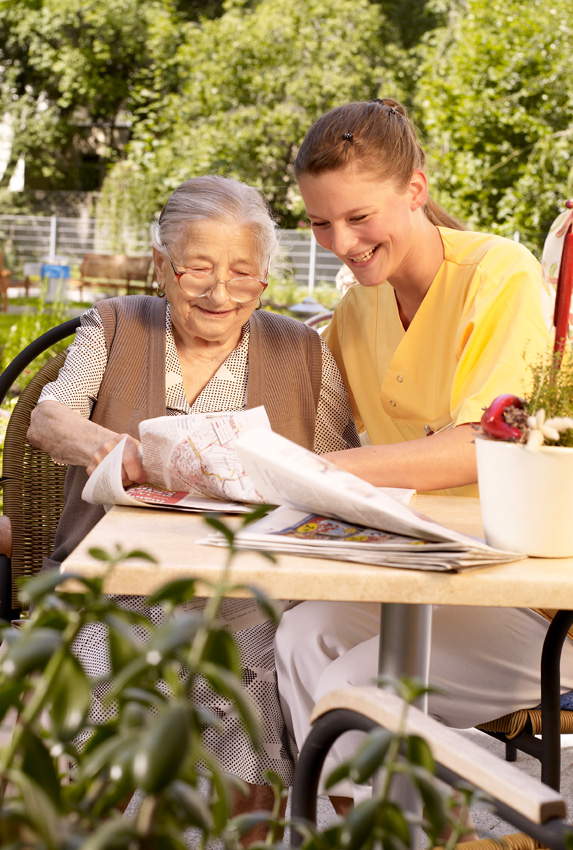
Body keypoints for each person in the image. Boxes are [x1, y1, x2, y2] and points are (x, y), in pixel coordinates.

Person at [274, 98, 573, 806]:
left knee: (351, 688)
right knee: (300, 636)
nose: (341, 242)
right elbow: (323, 420)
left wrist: (320, 471)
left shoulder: (496, 275)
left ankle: (400, 834)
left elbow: (484, 444)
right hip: (437, 574)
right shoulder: (357, 308)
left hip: (546, 604)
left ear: (414, 191)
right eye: (321, 223)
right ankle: (359, 830)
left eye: (359, 217)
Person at [27, 174, 360, 826]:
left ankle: (243, 833)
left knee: (264, 654)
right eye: (197, 270)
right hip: (115, 582)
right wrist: (136, 456)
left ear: (265, 277)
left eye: (243, 274)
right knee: (105, 693)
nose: (219, 293)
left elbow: (334, 471)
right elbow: (48, 422)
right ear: (160, 267)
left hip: (245, 591)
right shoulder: (116, 325)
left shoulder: (301, 348)